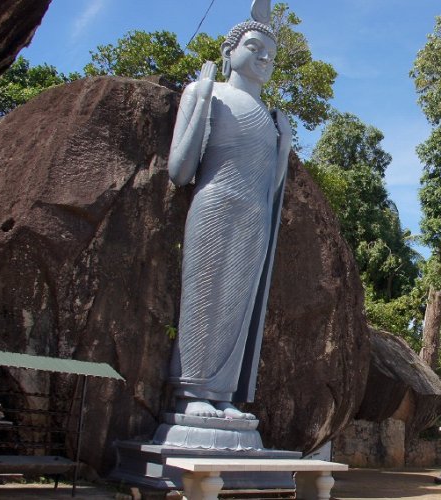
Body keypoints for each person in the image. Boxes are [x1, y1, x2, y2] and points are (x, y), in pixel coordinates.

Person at [165, 8, 291, 420]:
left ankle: (221, 393)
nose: (262, 59)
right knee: (205, 294)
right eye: (254, 48)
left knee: (239, 302)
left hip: (254, 215)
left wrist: (284, 147)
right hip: (216, 203)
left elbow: (271, 189)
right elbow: (180, 171)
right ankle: (191, 390)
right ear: (228, 50)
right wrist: (200, 102)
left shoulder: (271, 119)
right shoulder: (207, 92)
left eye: (270, 55)